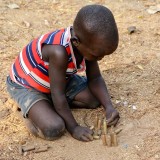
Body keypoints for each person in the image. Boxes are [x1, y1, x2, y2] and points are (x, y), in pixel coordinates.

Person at [6, 4, 120, 142]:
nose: (100, 58)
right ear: (76, 42)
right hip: (27, 85)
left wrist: (109, 107)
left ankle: (47, 106)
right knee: (53, 128)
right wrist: (74, 128)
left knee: (94, 100)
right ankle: (28, 112)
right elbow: (58, 94)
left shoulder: (87, 43)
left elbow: (95, 78)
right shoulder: (58, 52)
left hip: (57, 80)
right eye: (97, 55)